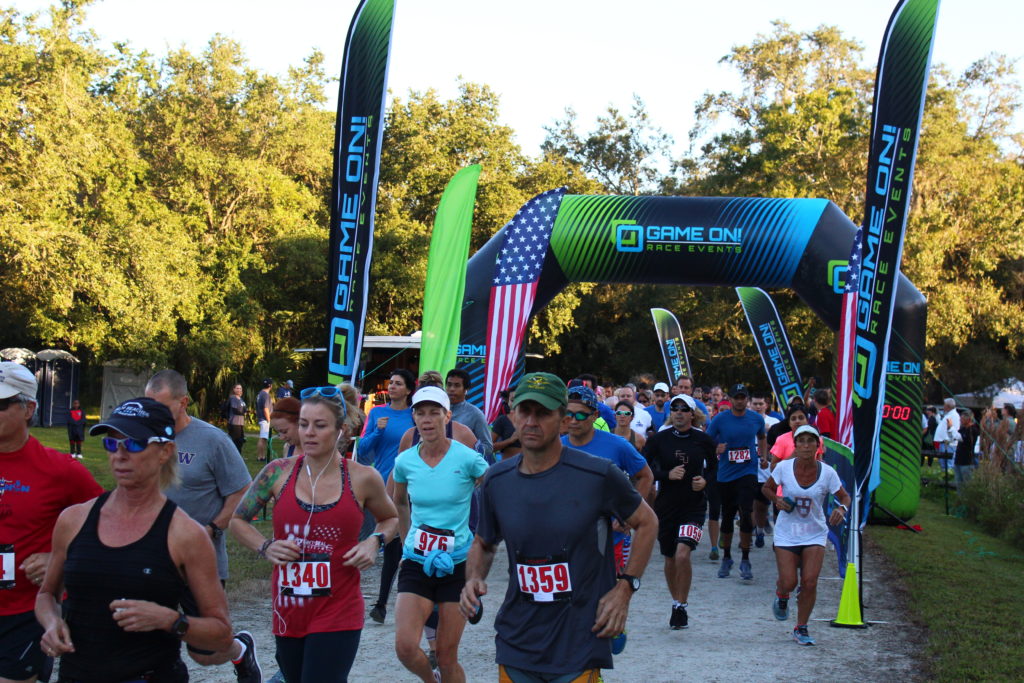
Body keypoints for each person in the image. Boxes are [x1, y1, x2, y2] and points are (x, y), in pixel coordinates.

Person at [460, 372, 658, 682]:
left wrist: (625, 588)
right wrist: (473, 578)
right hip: (518, 638)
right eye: (525, 411)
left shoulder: (597, 474)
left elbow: (647, 522)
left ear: (563, 420)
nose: (531, 421)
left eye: (543, 413)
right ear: (512, 415)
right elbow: (484, 543)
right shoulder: (497, 480)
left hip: (579, 638)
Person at [36, 397, 233, 681]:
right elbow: (46, 595)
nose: (120, 454)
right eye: (111, 443)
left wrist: (169, 620)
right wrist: (51, 622)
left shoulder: (185, 535)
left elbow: (222, 634)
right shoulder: (73, 520)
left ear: (165, 452)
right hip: (76, 675)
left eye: (134, 444)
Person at [229, 385, 399, 683]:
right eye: (304, 424)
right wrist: (265, 546)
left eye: (320, 426)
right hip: (289, 609)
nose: (309, 433)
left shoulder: (362, 478)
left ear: (341, 430)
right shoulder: (276, 472)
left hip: (339, 608)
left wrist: (374, 541)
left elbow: (391, 519)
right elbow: (238, 521)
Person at [144, 369, 260, 682]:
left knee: (205, 651)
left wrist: (211, 528)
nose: (153, 414)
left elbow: (241, 490)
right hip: (151, 558)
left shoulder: (212, 440)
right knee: (150, 639)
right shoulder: (143, 437)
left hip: (200, 559)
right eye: (148, 405)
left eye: (161, 406)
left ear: (183, 402)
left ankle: (239, 650)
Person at [0, 362, 103, 683]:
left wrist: (62, 561)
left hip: (26, 612)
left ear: (29, 408)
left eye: (2, 405)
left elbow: (112, 525)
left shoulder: (60, 471)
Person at [392, 387, 489, 683]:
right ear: (414, 418)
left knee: (447, 657)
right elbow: (398, 502)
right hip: (416, 561)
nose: (427, 420)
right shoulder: (405, 461)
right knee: (406, 648)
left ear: (447, 417)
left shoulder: (467, 458)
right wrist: (406, 537)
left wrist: (482, 539)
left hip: (457, 564)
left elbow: (496, 494)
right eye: (420, 413)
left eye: (435, 413)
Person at [762, 425, 851, 646]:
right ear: (795, 444)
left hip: (814, 532)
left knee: (810, 582)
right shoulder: (783, 467)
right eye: (800, 441)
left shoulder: (827, 472)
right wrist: (777, 500)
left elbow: (845, 497)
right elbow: (766, 488)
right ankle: (782, 594)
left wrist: (841, 510)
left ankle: (801, 627)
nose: (805, 445)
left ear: (817, 445)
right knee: (790, 581)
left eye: (810, 441)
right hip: (786, 532)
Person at [562, 385, 653, 575]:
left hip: (610, 539)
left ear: (595, 415)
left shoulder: (617, 445)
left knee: (608, 599)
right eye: (568, 414)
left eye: (580, 415)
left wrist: (630, 513)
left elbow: (645, 475)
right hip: (567, 540)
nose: (573, 421)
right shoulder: (557, 446)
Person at [643, 394, 716, 630]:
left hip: (694, 507)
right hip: (666, 506)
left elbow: (715, 470)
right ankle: (675, 602)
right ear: (670, 412)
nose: (679, 413)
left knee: (683, 554)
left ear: (692, 414)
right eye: (674, 408)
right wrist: (665, 475)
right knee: (670, 557)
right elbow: (644, 468)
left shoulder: (703, 440)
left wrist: (704, 481)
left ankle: (682, 606)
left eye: (684, 409)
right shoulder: (658, 440)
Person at [359, 369, 416, 625]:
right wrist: (378, 432)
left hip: (411, 486)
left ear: (408, 389)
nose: (392, 387)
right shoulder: (377, 413)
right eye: (391, 382)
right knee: (391, 542)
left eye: (398, 383)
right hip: (381, 484)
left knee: (397, 545)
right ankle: (384, 602)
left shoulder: (415, 415)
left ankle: (384, 603)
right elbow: (362, 450)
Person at [706, 384, 767, 582]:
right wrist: (717, 447)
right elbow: (707, 440)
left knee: (746, 512)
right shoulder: (720, 419)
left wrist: (763, 456)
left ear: (747, 399)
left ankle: (746, 559)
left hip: (748, 471)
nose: (740, 401)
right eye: (736, 397)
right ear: (730, 399)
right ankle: (727, 558)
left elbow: (762, 436)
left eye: (743, 397)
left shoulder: (756, 418)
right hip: (726, 474)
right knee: (729, 515)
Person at [749, 392, 780, 548]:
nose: (758, 407)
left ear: (766, 405)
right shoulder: (745, 421)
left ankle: (778, 538)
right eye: (755, 404)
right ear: (750, 405)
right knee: (756, 506)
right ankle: (758, 532)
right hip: (750, 472)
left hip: (770, 472)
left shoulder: (774, 422)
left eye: (761, 404)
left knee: (774, 506)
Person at [445, 369, 494, 461]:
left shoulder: (475, 414)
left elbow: (488, 447)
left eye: (457, 385)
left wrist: (466, 451)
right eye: (449, 384)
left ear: (466, 389)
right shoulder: (438, 411)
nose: (451, 389)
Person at [490, 389, 521, 460]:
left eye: (519, 399)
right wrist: (510, 440)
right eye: (512, 400)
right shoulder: (502, 420)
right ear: (507, 401)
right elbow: (489, 447)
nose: (516, 403)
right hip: (509, 467)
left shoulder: (531, 420)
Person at [954, 410, 979, 492]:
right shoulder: (963, 429)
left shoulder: (972, 430)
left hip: (966, 461)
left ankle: (967, 502)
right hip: (958, 459)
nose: (960, 421)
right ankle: (960, 501)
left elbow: (962, 439)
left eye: (962, 419)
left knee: (966, 484)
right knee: (959, 483)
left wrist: (951, 428)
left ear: (968, 419)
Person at [934, 398, 961, 473]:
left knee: (948, 464)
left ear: (948, 406)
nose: (943, 406)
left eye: (944, 405)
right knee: (943, 464)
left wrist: (949, 441)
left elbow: (954, 430)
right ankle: (944, 477)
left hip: (948, 444)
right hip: (944, 444)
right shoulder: (948, 415)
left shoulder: (954, 416)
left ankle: (949, 479)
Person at [256, 379, 274, 462]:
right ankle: (260, 457)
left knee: (263, 438)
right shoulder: (266, 395)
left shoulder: (260, 394)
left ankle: (262, 456)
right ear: (270, 386)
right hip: (265, 419)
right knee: (263, 438)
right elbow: (266, 408)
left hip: (261, 418)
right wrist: (269, 420)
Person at [226, 384, 247, 454]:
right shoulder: (233, 398)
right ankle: (232, 455)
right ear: (234, 389)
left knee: (240, 441)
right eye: (237, 388)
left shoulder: (241, 399)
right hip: (234, 422)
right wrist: (243, 412)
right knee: (235, 440)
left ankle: (238, 455)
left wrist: (244, 412)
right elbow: (235, 410)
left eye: (240, 388)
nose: (239, 390)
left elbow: (245, 409)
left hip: (240, 423)